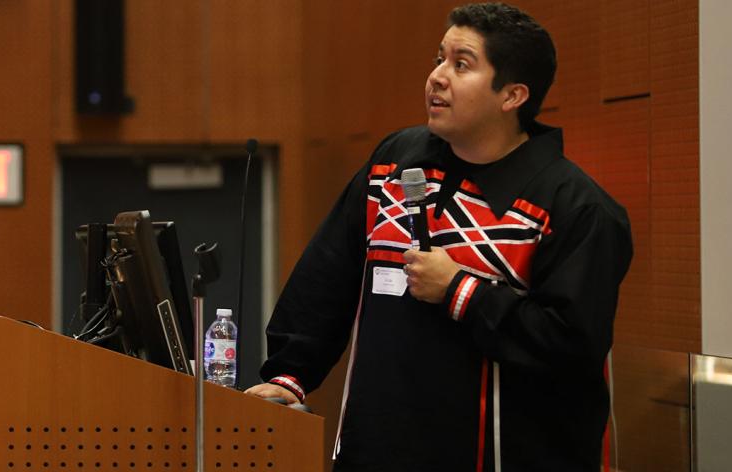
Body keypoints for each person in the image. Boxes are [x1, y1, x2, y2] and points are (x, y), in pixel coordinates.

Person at [246, 3, 633, 471]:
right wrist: (290, 374)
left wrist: (460, 291)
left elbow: (571, 347)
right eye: (439, 59)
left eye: (461, 64)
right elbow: (328, 274)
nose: (437, 77)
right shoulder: (394, 162)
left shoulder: (575, 208)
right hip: (375, 453)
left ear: (512, 96)